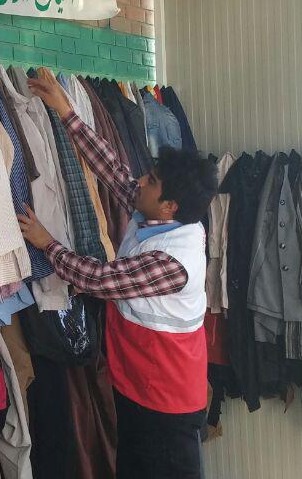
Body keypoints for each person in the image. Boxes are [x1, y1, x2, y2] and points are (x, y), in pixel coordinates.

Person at [19, 72, 219, 479]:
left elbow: (99, 280)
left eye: (151, 181)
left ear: (169, 205)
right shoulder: (159, 216)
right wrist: (65, 110)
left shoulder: (171, 260)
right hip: (138, 386)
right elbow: (112, 171)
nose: (140, 181)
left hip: (167, 405)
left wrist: (47, 243)